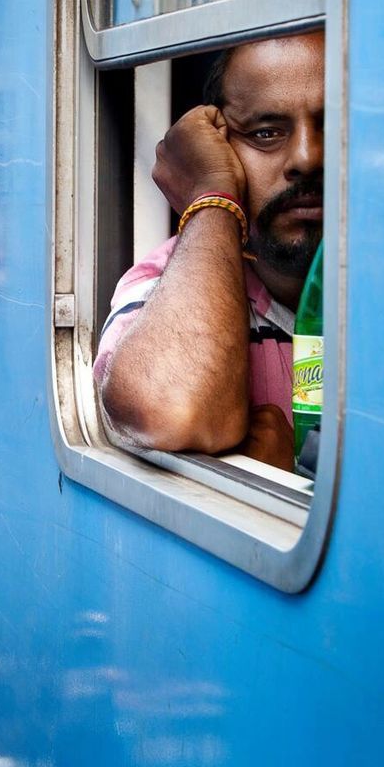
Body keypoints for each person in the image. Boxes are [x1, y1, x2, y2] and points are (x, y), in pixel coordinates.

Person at [93, 32, 324, 472]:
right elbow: (171, 410)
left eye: (334, 126)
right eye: (266, 133)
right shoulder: (166, 287)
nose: (307, 158)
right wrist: (213, 192)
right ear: (222, 147)